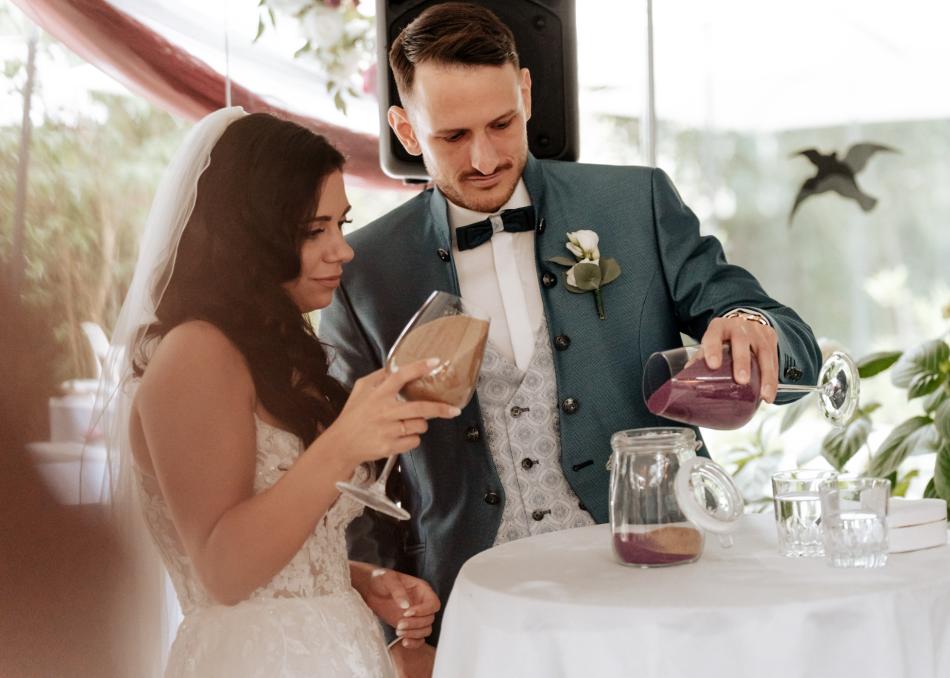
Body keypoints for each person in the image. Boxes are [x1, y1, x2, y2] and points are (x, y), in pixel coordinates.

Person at [318, 3, 821, 674]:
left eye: (502, 123)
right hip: (479, 612)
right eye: (452, 136)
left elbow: (798, 355)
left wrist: (755, 330)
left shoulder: (634, 204)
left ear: (527, 93)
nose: (485, 156)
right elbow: (353, 481)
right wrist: (395, 629)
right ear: (406, 130)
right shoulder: (363, 272)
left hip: (662, 585)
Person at [106, 107, 461, 677]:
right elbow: (222, 570)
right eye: (313, 231)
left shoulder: (278, 352)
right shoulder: (195, 352)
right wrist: (343, 443)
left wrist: (360, 578)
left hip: (335, 649)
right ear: (249, 234)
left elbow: (278, 543)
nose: (342, 250)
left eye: (340, 225)